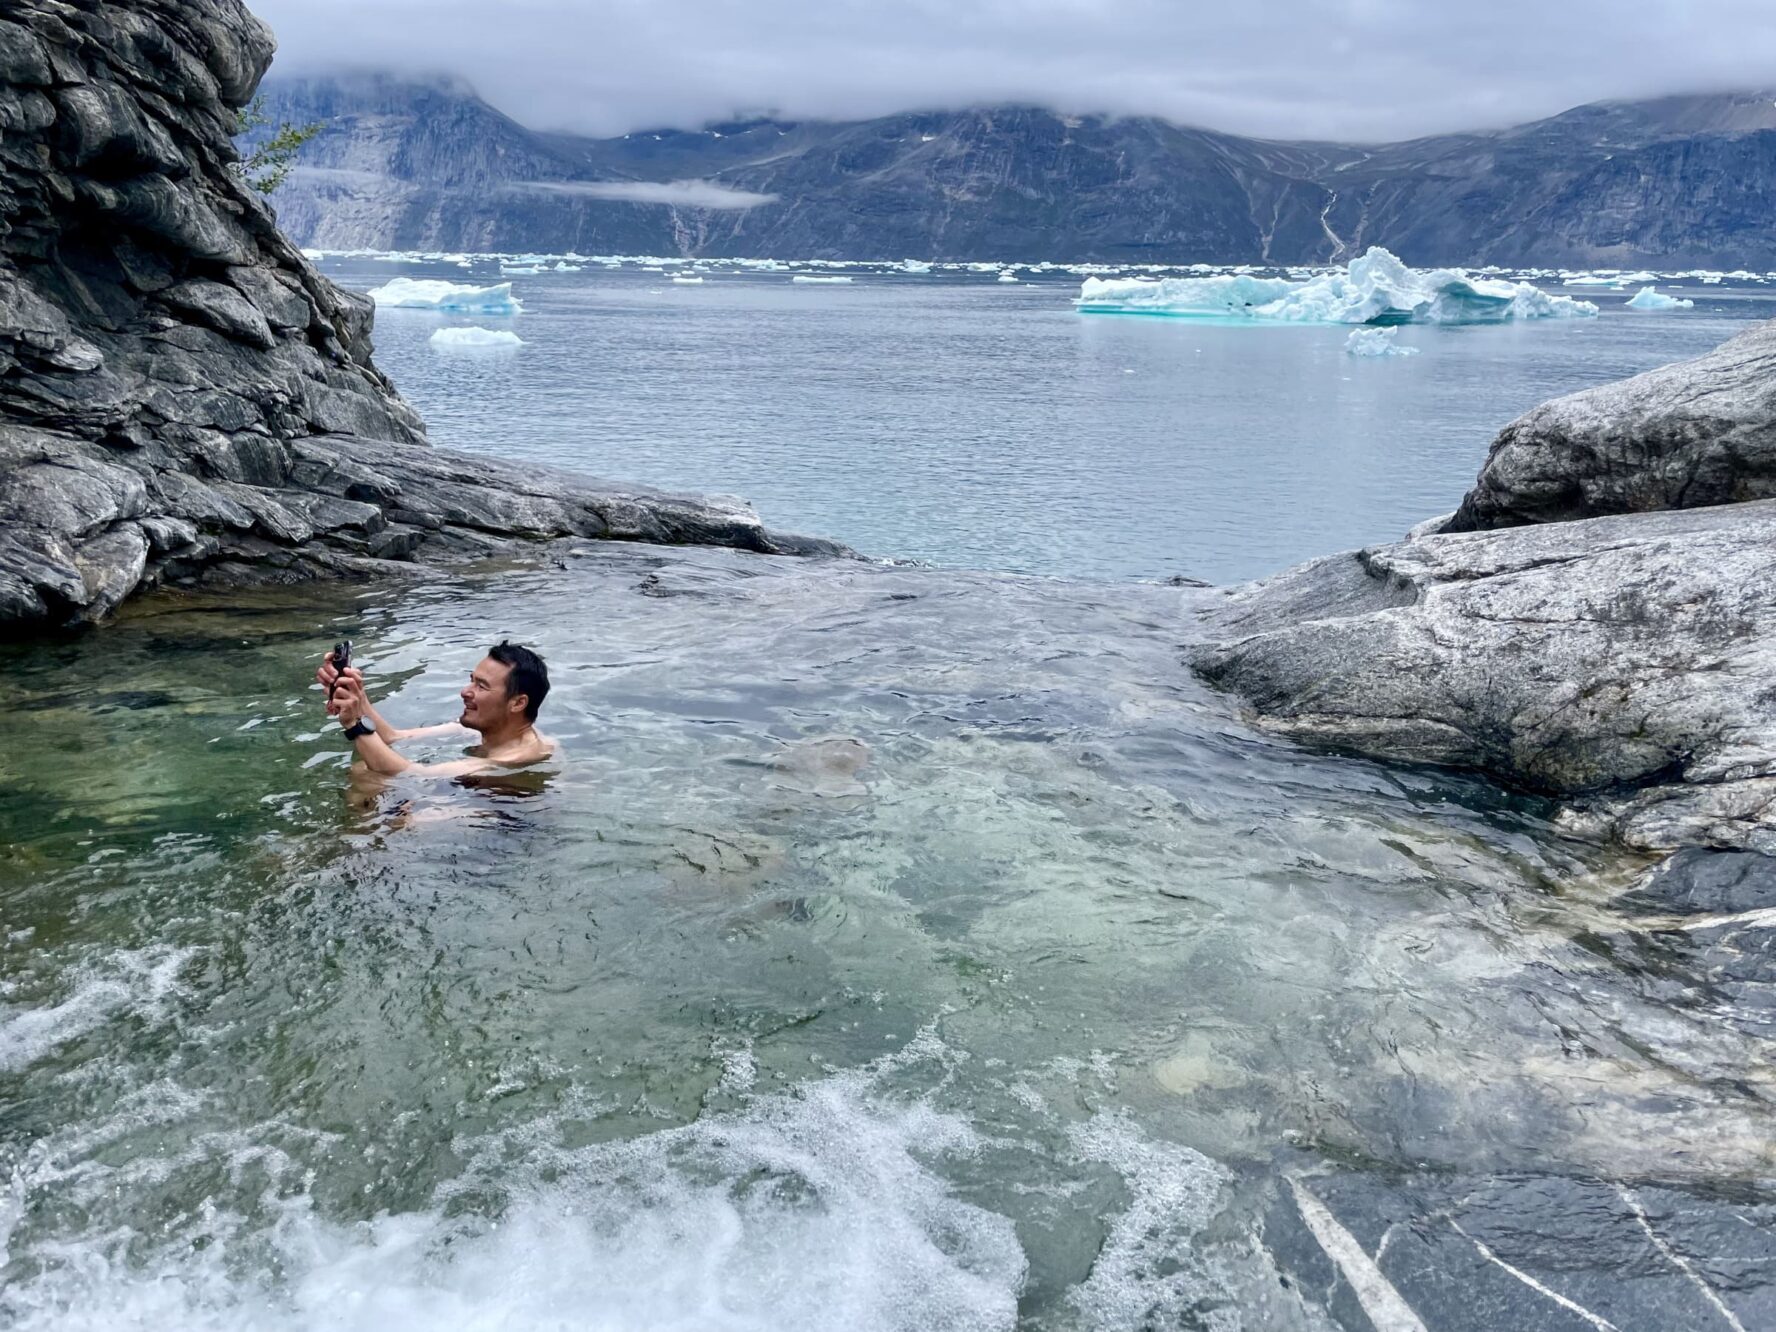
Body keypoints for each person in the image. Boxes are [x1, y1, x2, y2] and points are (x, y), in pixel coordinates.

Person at [317, 640, 554, 777]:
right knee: (364, 770)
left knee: (370, 778)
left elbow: (412, 775)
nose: (465, 691)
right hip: (470, 795)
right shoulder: (483, 730)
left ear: (518, 703)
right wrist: (355, 694)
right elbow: (393, 737)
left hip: (499, 821)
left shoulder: (514, 757)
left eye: (481, 686)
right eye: (471, 679)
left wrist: (354, 724)